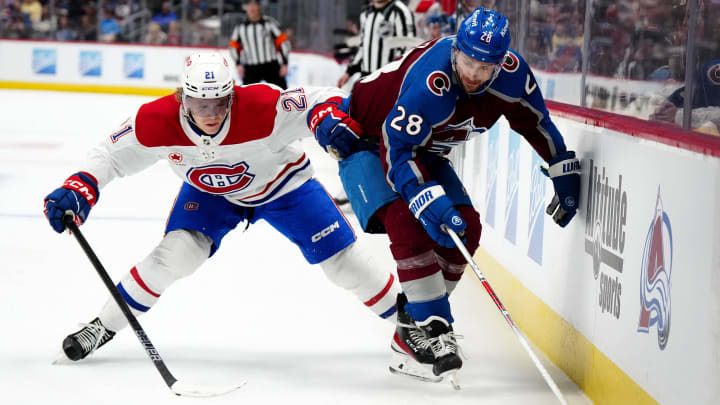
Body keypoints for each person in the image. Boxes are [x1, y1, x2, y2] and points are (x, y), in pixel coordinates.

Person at [43, 52, 400, 362]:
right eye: (201, 105)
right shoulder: (155, 120)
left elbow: (320, 98)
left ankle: (412, 325)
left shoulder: (260, 105)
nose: (212, 114)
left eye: (220, 103)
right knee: (174, 257)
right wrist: (80, 186)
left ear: (232, 95)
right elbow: (108, 154)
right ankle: (102, 326)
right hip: (212, 193)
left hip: (282, 186)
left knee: (343, 264)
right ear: (182, 98)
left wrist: (326, 115)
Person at [307, 7, 581, 384]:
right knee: (408, 220)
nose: (473, 74)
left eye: (486, 68)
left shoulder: (513, 76)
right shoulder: (431, 82)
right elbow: (396, 148)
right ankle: (435, 329)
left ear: (502, 63)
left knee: (466, 227)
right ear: (456, 50)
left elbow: (535, 121)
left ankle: (413, 326)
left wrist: (560, 164)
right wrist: (422, 195)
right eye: (467, 62)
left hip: (423, 150)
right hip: (368, 142)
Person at [336, 0, 417, 88]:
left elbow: (408, 49)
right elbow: (363, 46)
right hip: (366, 76)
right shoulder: (366, 12)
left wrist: (395, 77)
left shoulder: (401, 11)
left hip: (389, 81)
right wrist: (349, 72)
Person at [229, 0, 290, 89]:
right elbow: (233, 47)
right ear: (245, 8)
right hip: (250, 67)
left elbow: (283, 42)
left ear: (259, 6)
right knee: (247, 97)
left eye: (254, 4)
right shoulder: (240, 27)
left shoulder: (269, 23)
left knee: (283, 93)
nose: (252, 7)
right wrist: (238, 64)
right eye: (249, 4)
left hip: (271, 66)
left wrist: (285, 64)